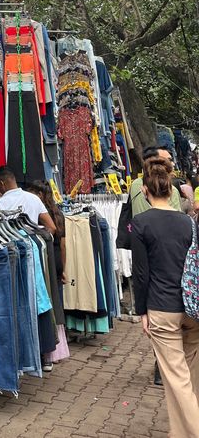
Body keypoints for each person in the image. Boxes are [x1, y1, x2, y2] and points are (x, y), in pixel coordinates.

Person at [132, 156, 199, 437]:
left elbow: (141, 274)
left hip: (162, 308)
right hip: (192, 308)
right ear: (171, 190)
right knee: (192, 377)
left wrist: (142, 313)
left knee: (178, 380)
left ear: (145, 191)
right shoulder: (189, 223)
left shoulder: (140, 223)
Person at [0, 167, 56, 235]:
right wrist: (40, 241)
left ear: (1, 183)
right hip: (34, 243)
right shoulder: (34, 198)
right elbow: (52, 227)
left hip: (9, 243)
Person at [27, 180, 66, 283]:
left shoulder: (41, 215)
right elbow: (63, 245)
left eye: (30, 192)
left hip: (47, 260)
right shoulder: (58, 214)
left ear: (39, 195)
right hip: (57, 261)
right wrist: (63, 269)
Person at [130, 146, 182, 217]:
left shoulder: (135, 184)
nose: (173, 164)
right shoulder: (171, 189)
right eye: (168, 160)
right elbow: (177, 220)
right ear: (153, 162)